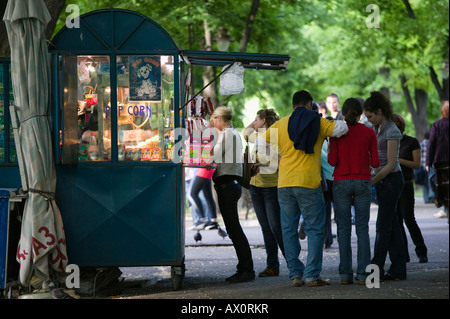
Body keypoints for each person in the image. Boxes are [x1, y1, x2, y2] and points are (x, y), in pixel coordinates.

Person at [259, 90, 348, 287]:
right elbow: (340, 129)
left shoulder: (281, 124)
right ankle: (312, 275)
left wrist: (276, 158)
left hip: (285, 183)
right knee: (315, 229)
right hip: (309, 182)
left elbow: (259, 141)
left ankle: (295, 275)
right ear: (309, 104)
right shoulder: (317, 122)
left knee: (288, 230)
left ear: (292, 106)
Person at [328, 97, 380, 285]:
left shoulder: (336, 134)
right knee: (362, 228)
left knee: (343, 228)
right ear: (360, 114)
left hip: (341, 181)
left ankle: (345, 275)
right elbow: (375, 162)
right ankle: (365, 275)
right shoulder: (368, 133)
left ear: (343, 112)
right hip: (363, 181)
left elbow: (332, 161)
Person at [363, 91, 407, 281]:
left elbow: (390, 164)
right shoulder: (377, 128)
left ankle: (376, 268)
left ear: (380, 111)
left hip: (392, 180)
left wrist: (372, 181)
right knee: (393, 225)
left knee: (383, 226)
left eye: (371, 116)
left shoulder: (391, 130)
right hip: (383, 181)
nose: (369, 120)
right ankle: (398, 269)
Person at [210, 106, 254, 283]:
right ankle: (244, 267)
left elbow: (214, 156)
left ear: (219, 118)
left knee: (234, 229)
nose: (212, 123)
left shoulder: (227, 134)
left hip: (228, 185)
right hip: (231, 184)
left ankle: (246, 269)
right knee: (233, 229)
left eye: (213, 119)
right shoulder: (232, 133)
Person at [244, 108, 285, 278]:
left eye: (256, 119)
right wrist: (256, 123)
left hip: (271, 186)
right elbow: (246, 133)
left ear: (263, 120)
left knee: (276, 228)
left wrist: (264, 163)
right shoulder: (258, 136)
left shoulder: (275, 136)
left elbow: (282, 159)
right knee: (266, 228)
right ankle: (272, 266)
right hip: (256, 186)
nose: (254, 123)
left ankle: (293, 263)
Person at [393, 114, 428, 263]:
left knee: (409, 219)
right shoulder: (389, 142)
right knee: (397, 221)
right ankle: (403, 254)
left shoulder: (411, 142)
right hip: (392, 185)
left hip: (406, 184)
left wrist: (397, 160)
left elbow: (417, 164)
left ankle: (421, 251)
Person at [426, 100, 449, 221]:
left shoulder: (437, 125)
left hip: (441, 162)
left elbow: (431, 144)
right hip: (442, 161)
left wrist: (428, 163)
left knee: (444, 191)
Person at [417, 132, 435, 204]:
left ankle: (426, 199)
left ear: (424, 137)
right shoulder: (432, 144)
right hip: (431, 166)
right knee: (431, 181)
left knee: (424, 183)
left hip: (422, 166)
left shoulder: (421, 144)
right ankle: (432, 196)